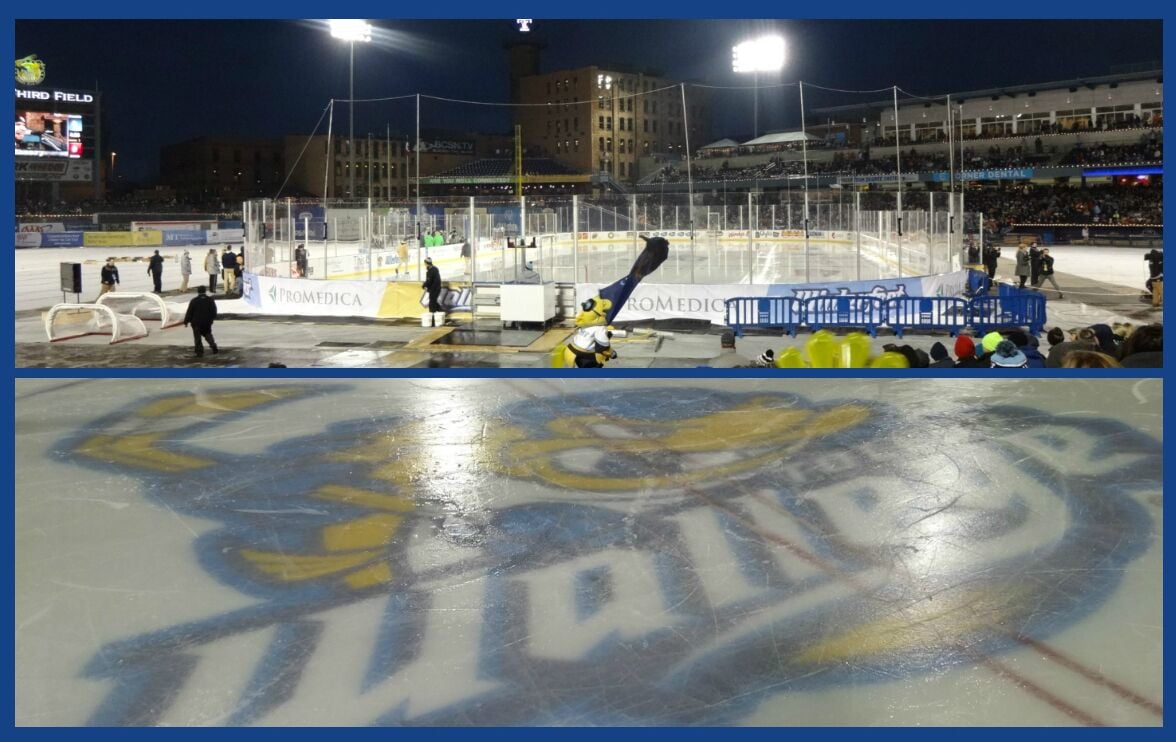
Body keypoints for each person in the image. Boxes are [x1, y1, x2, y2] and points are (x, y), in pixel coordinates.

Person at [183, 285, 218, 357]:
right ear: (205, 291)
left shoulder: (194, 301)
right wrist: (212, 319)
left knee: (197, 336)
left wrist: (186, 321)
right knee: (207, 334)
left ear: (198, 291)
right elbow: (214, 310)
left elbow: (189, 312)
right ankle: (213, 345)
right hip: (207, 322)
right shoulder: (210, 300)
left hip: (196, 322)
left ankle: (199, 351)